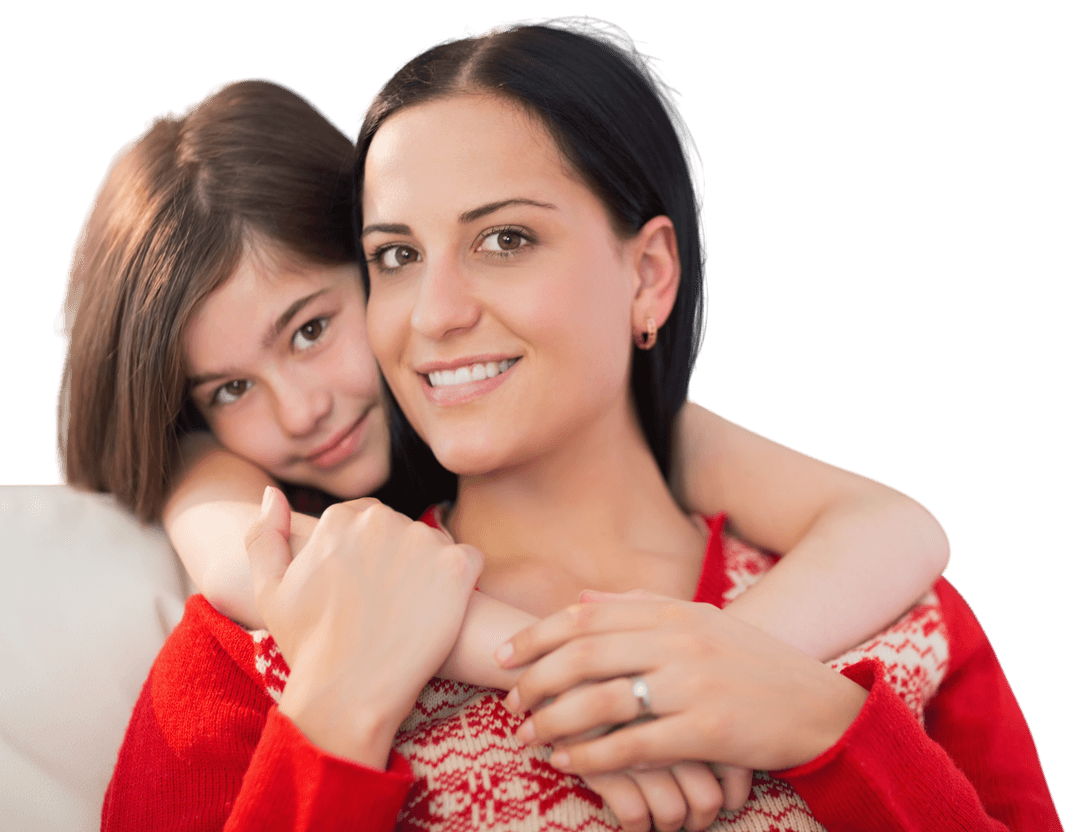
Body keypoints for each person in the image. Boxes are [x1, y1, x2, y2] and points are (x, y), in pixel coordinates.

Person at [71, 40, 1004, 832]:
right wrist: (337, 711)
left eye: (506, 239)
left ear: (649, 275)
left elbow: (889, 524)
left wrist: (819, 719)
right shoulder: (255, 638)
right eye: (397, 255)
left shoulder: (889, 609)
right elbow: (228, 533)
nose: (435, 312)